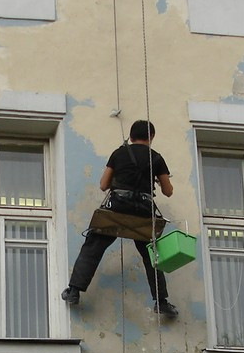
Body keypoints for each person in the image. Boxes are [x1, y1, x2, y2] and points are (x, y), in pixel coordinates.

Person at [61, 119, 179, 318]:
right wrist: (158, 181)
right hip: (143, 211)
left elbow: (103, 184)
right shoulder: (156, 158)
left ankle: (74, 291)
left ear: (131, 137)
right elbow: (168, 191)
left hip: (118, 208)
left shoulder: (119, 153)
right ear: (151, 137)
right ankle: (162, 302)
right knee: (152, 255)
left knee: (94, 245)